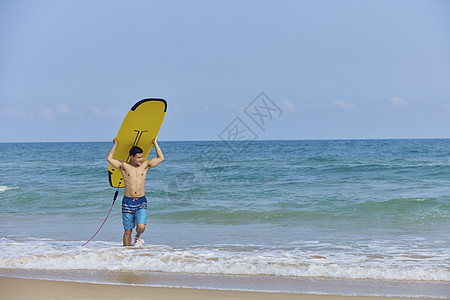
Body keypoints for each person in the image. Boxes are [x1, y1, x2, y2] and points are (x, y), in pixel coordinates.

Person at [107, 137, 164, 246]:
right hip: (127, 202)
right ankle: (127, 254)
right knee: (127, 231)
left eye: (141, 157)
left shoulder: (145, 165)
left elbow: (160, 158)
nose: (140, 159)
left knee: (141, 227)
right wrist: (115, 144)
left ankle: (137, 236)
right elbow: (109, 159)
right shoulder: (124, 166)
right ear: (131, 157)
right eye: (138, 157)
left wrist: (155, 143)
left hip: (141, 201)